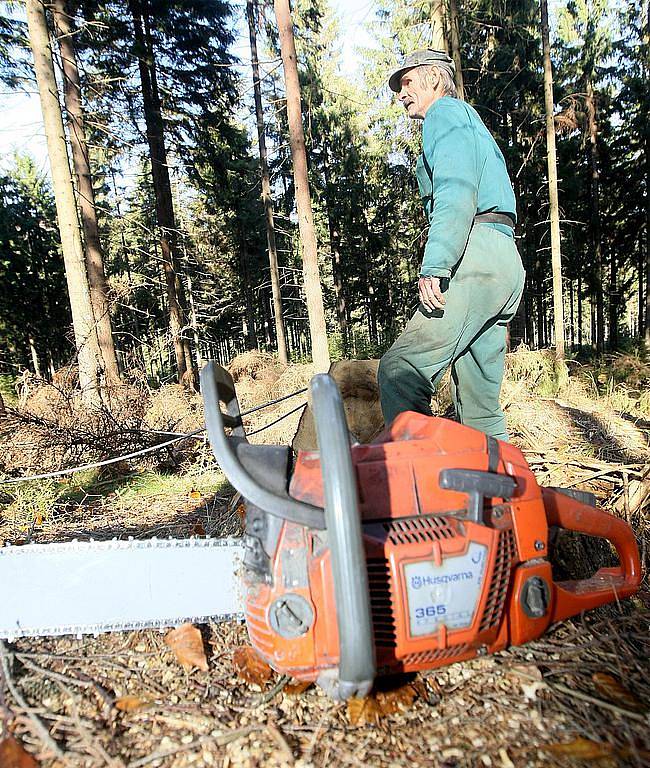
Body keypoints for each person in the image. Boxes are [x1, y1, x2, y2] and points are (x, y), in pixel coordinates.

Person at [377, 49, 525, 442]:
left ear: (434, 80)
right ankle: (500, 498)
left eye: (407, 82)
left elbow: (456, 191)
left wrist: (436, 265)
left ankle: (416, 491)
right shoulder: (470, 122)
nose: (401, 93)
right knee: (480, 407)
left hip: (475, 255)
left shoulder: (445, 113)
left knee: (400, 371)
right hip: (504, 259)